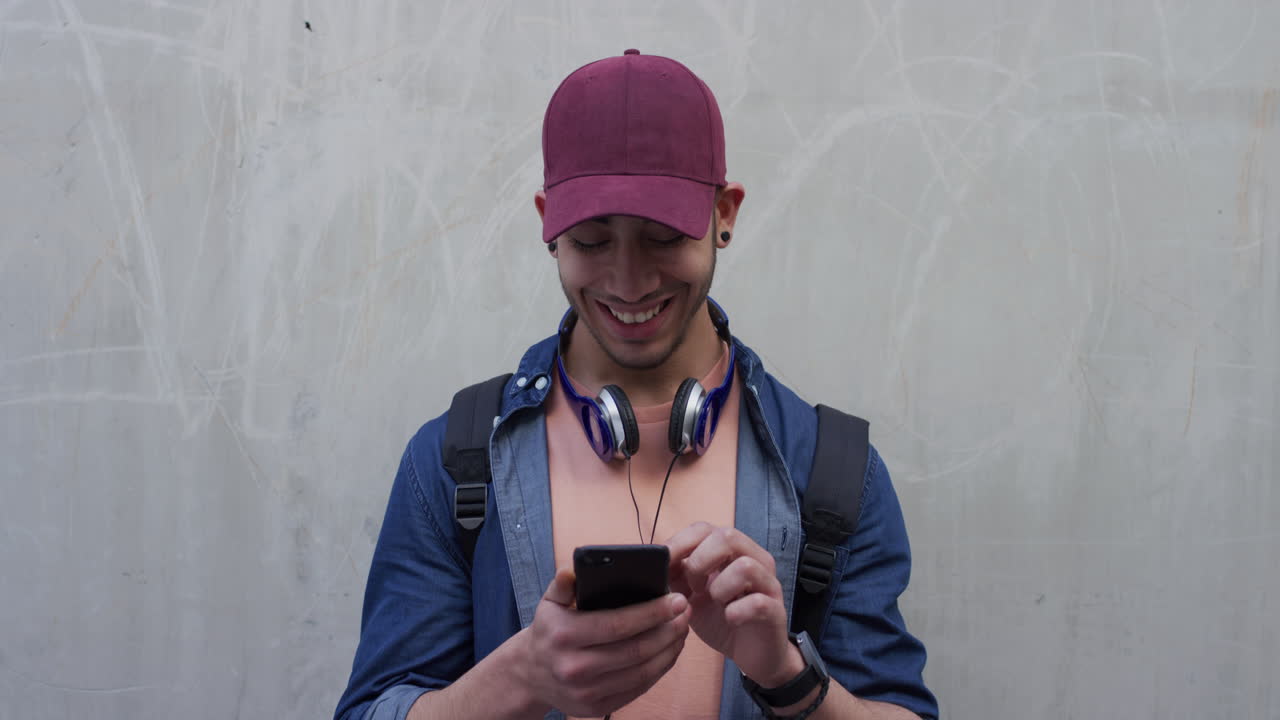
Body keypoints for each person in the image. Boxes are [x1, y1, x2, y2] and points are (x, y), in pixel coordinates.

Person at [334, 49, 938, 720]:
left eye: (662, 237)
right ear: (548, 226)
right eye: (592, 241)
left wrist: (785, 675)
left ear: (725, 214)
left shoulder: (833, 472)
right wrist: (526, 675)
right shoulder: (452, 461)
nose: (628, 281)